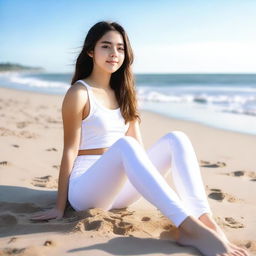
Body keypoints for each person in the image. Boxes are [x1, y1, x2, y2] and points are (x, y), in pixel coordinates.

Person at [31, 21, 248, 256]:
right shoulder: (79, 93)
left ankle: (206, 221)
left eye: (120, 48)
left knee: (177, 138)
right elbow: (69, 150)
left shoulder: (126, 93)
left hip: (122, 192)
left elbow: (139, 150)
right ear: (91, 51)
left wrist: (148, 180)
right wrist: (59, 206)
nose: (114, 54)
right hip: (86, 190)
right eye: (106, 46)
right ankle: (188, 228)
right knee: (126, 145)